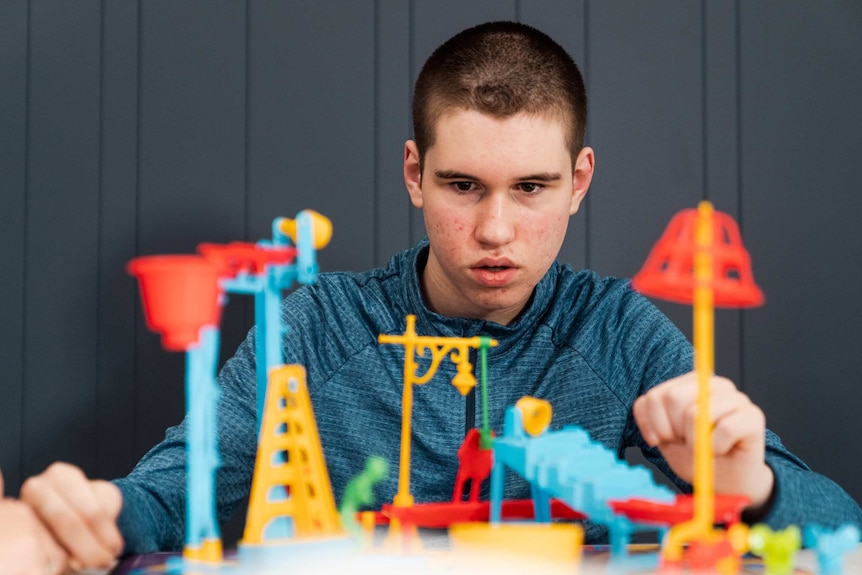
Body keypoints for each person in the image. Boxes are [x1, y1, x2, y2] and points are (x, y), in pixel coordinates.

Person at [9, 21, 862, 571]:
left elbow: (836, 523)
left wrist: (751, 483)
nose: (495, 231)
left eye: (531, 187)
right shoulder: (317, 326)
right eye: (463, 185)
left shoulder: (619, 334)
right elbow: (171, 490)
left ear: (580, 181)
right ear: (414, 174)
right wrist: (84, 516)